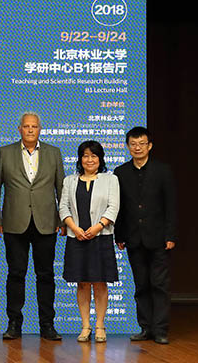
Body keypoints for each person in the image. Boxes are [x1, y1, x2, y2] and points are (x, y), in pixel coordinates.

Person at [0, 113, 65, 341]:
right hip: (14, 222)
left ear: (40, 129)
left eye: (34, 126)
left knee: (46, 275)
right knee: (15, 274)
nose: (30, 130)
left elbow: (61, 188)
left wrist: (64, 219)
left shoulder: (54, 152)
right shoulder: (5, 152)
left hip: (46, 222)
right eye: (26, 126)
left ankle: (47, 325)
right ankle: (13, 323)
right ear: (19, 129)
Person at [114, 126, 177, 345]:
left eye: (142, 143)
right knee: (140, 285)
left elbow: (171, 206)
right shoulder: (120, 172)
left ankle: (160, 330)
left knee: (159, 284)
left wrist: (170, 235)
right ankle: (145, 327)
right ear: (128, 146)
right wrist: (119, 236)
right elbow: (119, 208)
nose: (137, 147)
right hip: (132, 238)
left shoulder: (163, 170)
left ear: (149, 145)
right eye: (133, 144)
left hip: (159, 238)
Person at [59, 141, 120, 343]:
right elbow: (63, 207)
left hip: (100, 237)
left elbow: (113, 207)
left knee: (100, 282)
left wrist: (98, 227)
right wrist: (74, 228)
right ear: (80, 159)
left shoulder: (111, 180)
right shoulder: (69, 181)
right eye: (85, 156)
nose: (89, 159)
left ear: (100, 159)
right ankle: (85, 326)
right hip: (76, 237)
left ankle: (100, 325)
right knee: (82, 283)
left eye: (94, 156)